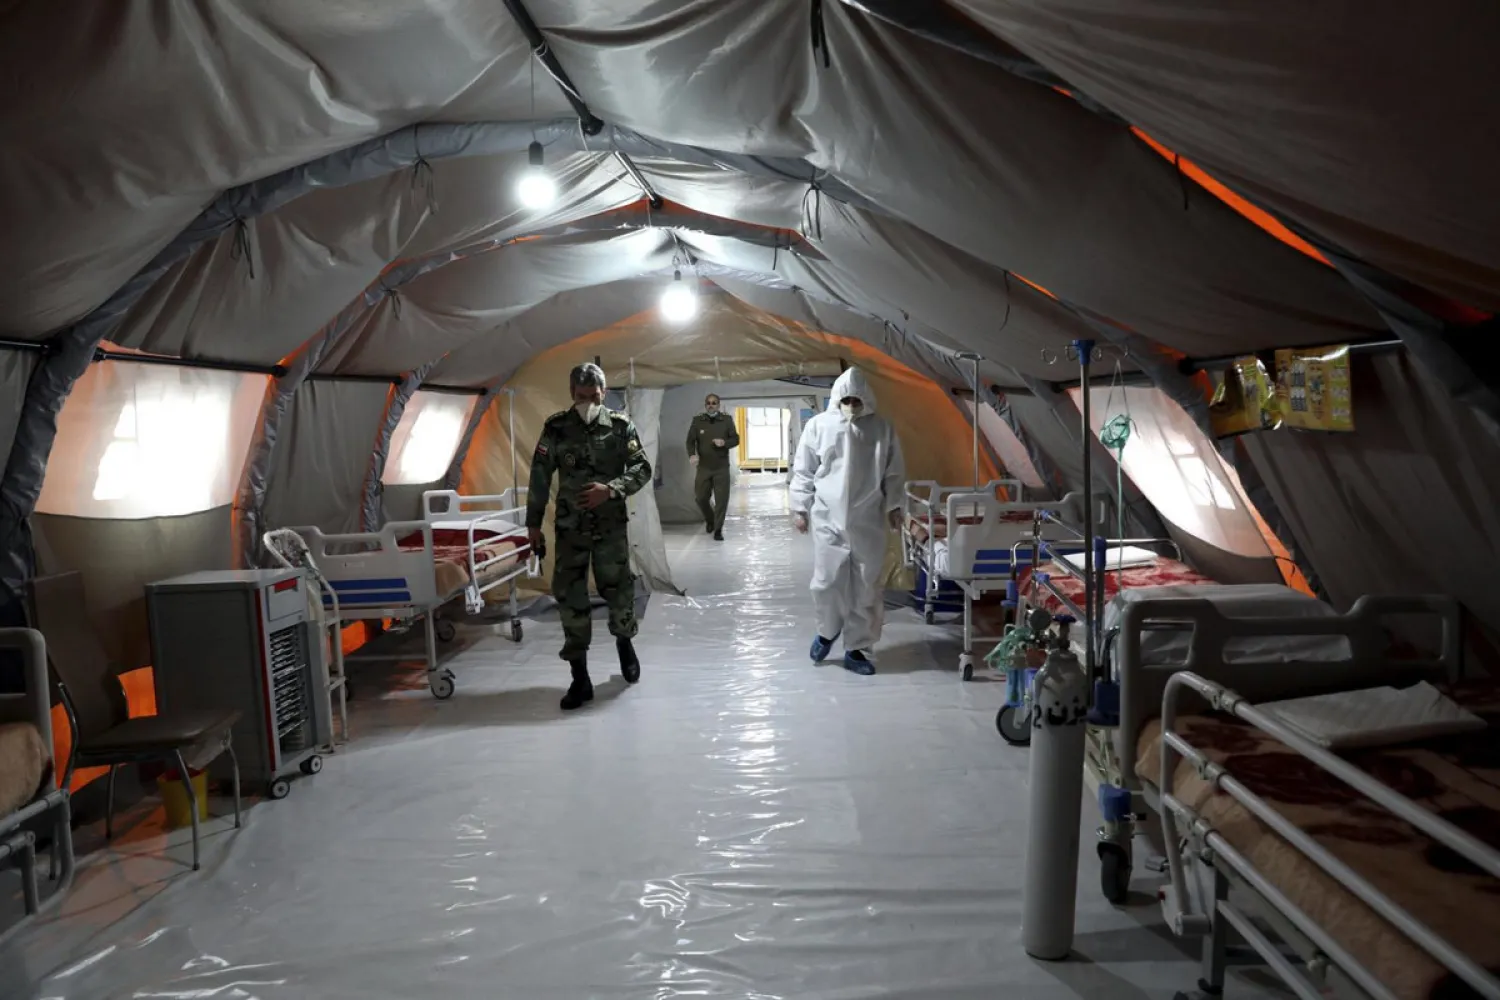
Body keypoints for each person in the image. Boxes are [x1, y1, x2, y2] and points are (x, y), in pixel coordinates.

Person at [526, 363, 653, 710]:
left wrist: (611, 489)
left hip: (610, 527)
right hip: (570, 529)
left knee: (619, 589)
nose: (587, 402)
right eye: (581, 397)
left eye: (593, 396)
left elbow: (642, 467)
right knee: (570, 597)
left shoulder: (620, 426)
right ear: (572, 394)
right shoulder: (556, 428)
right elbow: (539, 476)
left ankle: (624, 642)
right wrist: (532, 524)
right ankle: (579, 676)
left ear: (603, 391)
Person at [789, 367, 905, 675]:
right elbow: (804, 469)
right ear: (837, 398)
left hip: (868, 519)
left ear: (866, 399)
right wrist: (799, 508)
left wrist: (895, 506)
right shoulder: (819, 426)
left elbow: (894, 472)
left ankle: (856, 647)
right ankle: (827, 632)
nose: (852, 405)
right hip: (828, 516)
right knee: (827, 582)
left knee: (866, 585)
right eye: (847, 399)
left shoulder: (881, 429)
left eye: (857, 400)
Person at [685, 393, 740, 540]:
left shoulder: (726, 420)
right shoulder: (698, 421)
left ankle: (718, 529)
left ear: (718, 405)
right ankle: (710, 519)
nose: (711, 405)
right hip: (704, 466)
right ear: (705, 405)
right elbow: (690, 441)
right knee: (701, 497)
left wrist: (725, 443)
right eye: (708, 403)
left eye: (714, 403)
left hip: (721, 467)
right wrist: (692, 454)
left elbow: (735, 439)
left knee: (721, 500)